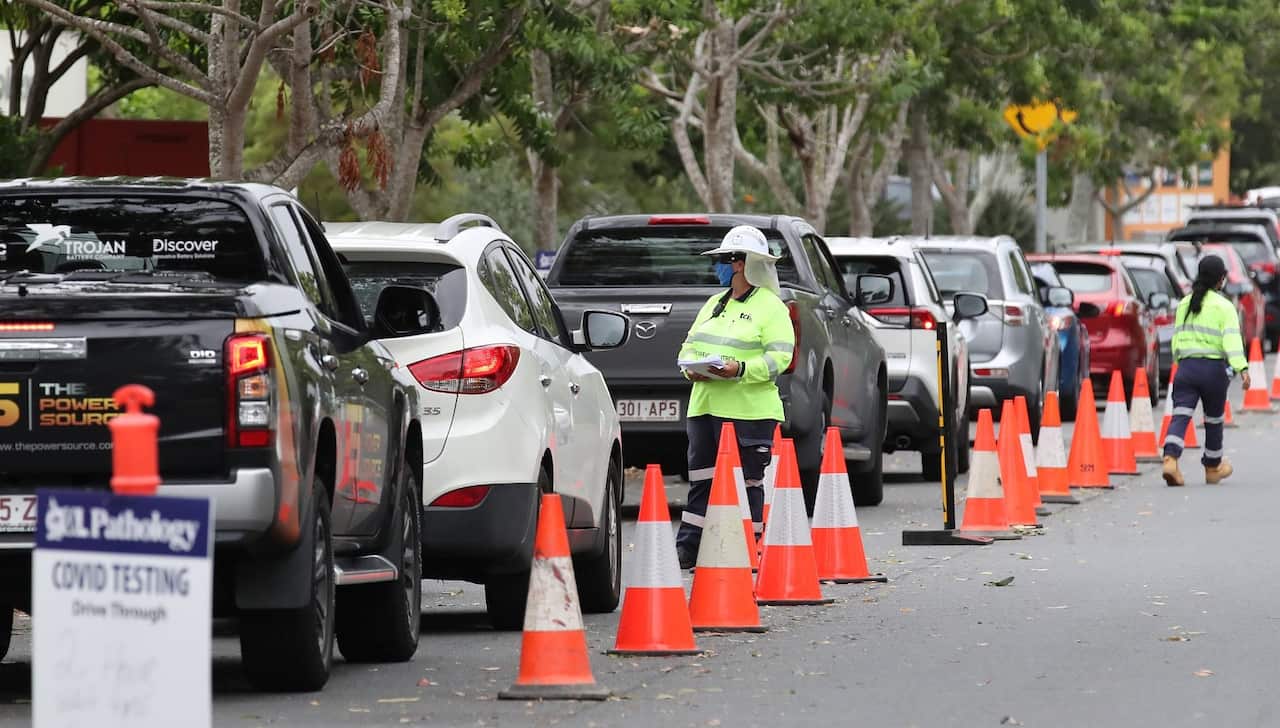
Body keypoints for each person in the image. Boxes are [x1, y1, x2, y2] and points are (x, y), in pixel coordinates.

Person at [675, 225, 795, 569]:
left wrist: (739, 369)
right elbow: (688, 347)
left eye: (724, 260)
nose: (719, 266)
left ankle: (748, 549)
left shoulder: (772, 307)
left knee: (748, 484)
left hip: (750, 411)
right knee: (701, 481)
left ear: (741, 263)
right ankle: (690, 549)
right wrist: (691, 369)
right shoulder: (715, 304)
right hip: (705, 406)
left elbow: (780, 358)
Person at [1162, 254, 1249, 486]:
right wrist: (1242, 369)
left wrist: (1179, 363)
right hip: (1213, 370)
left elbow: (1176, 338)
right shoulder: (1225, 307)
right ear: (1221, 279)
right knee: (1213, 419)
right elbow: (1231, 340)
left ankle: (1170, 458)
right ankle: (1212, 468)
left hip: (1186, 368)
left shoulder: (1184, 304)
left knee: (1180, 414)